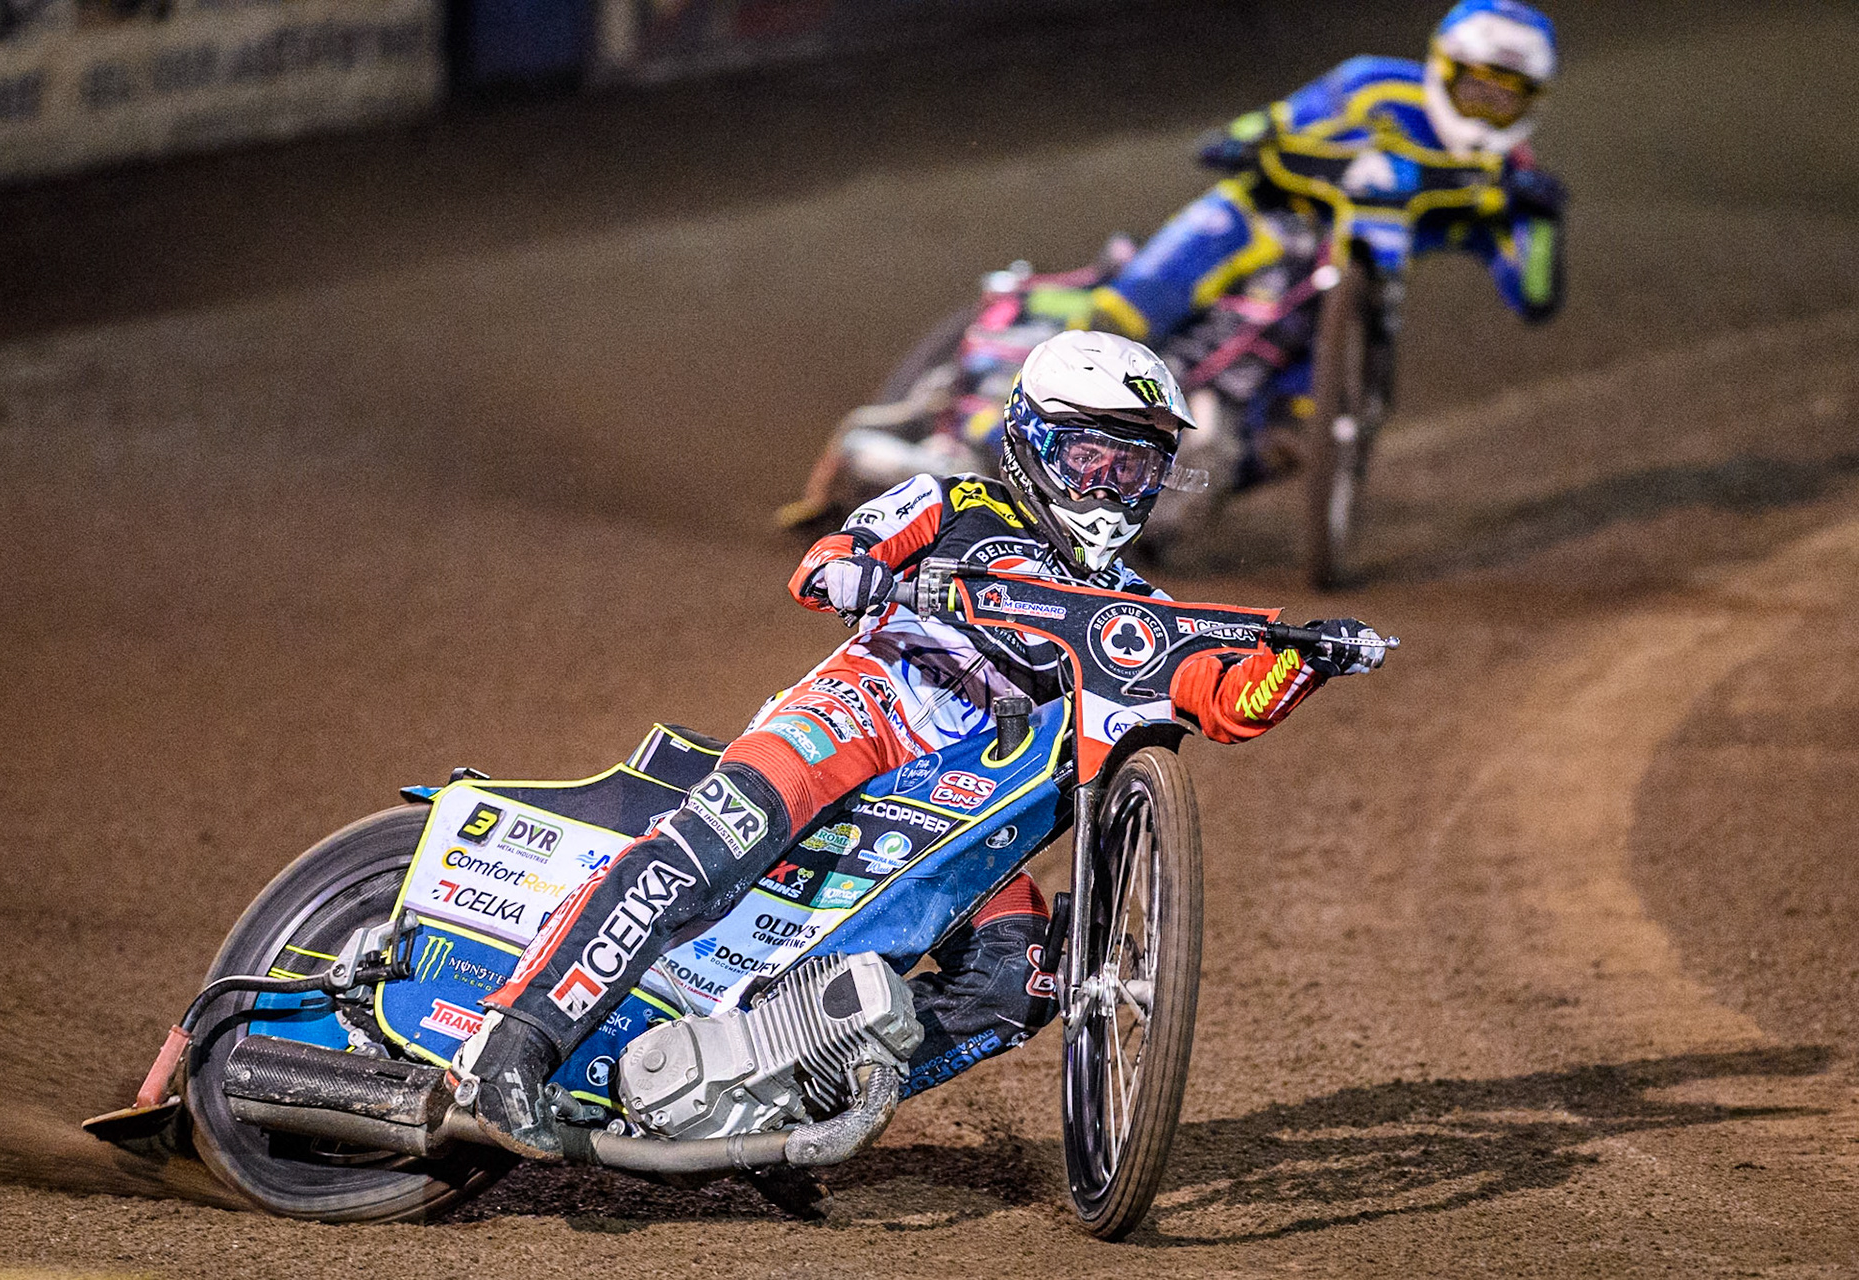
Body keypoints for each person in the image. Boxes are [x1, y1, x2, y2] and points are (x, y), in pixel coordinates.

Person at [449, 331, 1388, 1160]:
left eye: (1133, 470)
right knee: (707, 850)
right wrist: (864, 576)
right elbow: (824, 563)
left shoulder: (1140, 609)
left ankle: (782, 1100)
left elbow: (1221, 701)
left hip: (959, 806)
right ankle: (513, 1044)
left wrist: (1301, 664)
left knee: (1019, 981)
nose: (1109, 488)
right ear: (1031, 442)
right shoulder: (950, 500)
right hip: (854, 719)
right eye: (1089, 459)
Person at [1089, 0, 1565, 487]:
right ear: (1444, 68)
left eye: (1506, 98)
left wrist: (1542, 223)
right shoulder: (1374, 84)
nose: (1487, 108)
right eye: (1476, 89)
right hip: (1272, 214)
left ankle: (1208, 466)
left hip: (1343, 298)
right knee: (1125, 312)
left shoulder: (1511, 175)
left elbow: (1532, 295)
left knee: (1287, 437)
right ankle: (1029, 414)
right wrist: (1240, 139)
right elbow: (1280, 119)